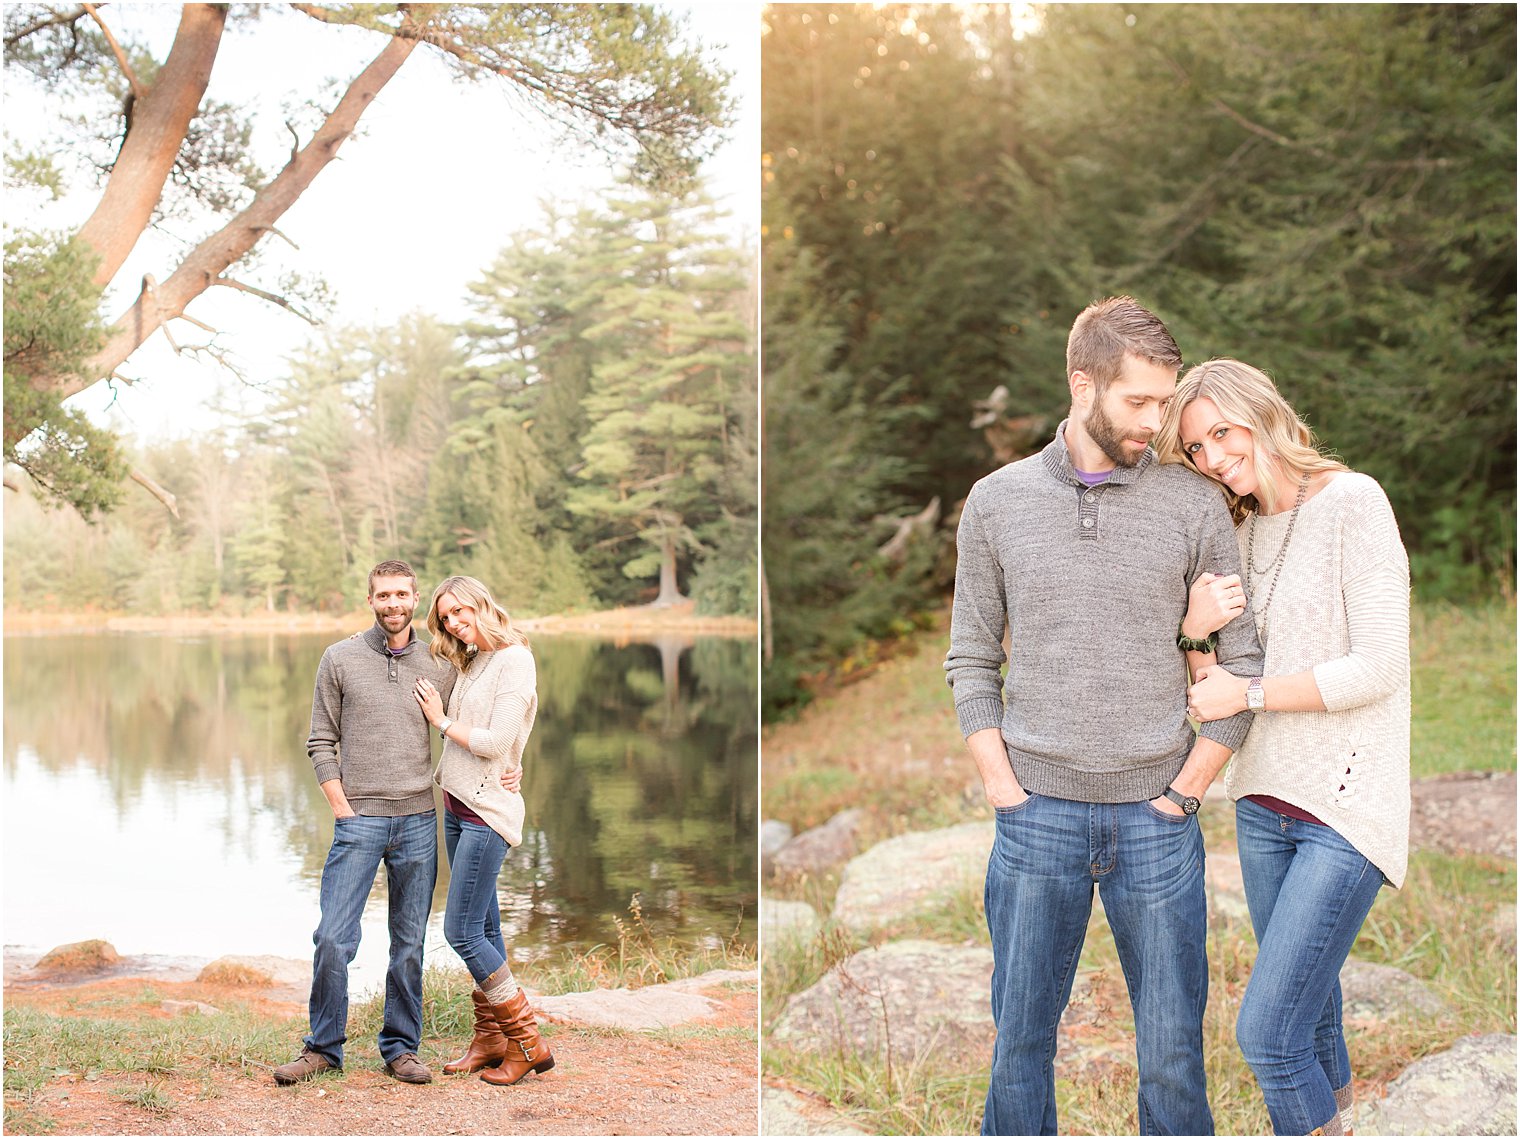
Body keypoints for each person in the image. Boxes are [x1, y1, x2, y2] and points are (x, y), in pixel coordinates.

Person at [944, 296, 1265, 1136]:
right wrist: (1002, 786)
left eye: (1166, 402)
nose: (1156, 422)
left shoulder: (1192, 503)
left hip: (1157, 819)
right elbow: (972, 659)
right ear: (1081, 382)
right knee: (1020, 1042)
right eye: (1139, 402)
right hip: (1035, 816)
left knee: (1169, 1049)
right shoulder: (996, 500)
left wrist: (1187, 790)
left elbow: (1244, 665)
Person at [1156, 358, 1410, 1137]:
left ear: (1261, 412)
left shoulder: (1353, 501)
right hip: (1263, 808)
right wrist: (1196, 629)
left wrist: (1251, 693)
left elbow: (1379, 665)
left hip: (1342, 805)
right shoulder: (1232, 529)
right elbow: (1213, 687)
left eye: (1220, 432)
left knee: (1266, 1036)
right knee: (1314, 1023)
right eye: (1196, 448)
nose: (1213, 456)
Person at [274, 559, 457, 1086]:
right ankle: (323, 1048)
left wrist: (507, 764)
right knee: (333, 937)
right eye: (384, 595)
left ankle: (401, 1047)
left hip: (419, 820)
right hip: (359, 820)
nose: (394, 604)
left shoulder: (439, 663)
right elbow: (320, 738)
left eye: (402, 594)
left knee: (408, 941)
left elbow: (467, 728)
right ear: (371, 599)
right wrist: (340, 806)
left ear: (415, 599)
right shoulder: (340, 658)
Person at [411, 574, 554, 1087]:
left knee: (461, 931)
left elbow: (497, 738)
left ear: (481, 604)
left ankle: (528, 1042)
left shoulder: (515, 658)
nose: (453, 623)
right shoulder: (474, 659)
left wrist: (441, 721)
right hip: (457, 804)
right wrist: (516, 759)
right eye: (445, 617)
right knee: (487, 927)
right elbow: (512, 739)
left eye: (459, 612)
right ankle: (492, 1039)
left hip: (487, 813)